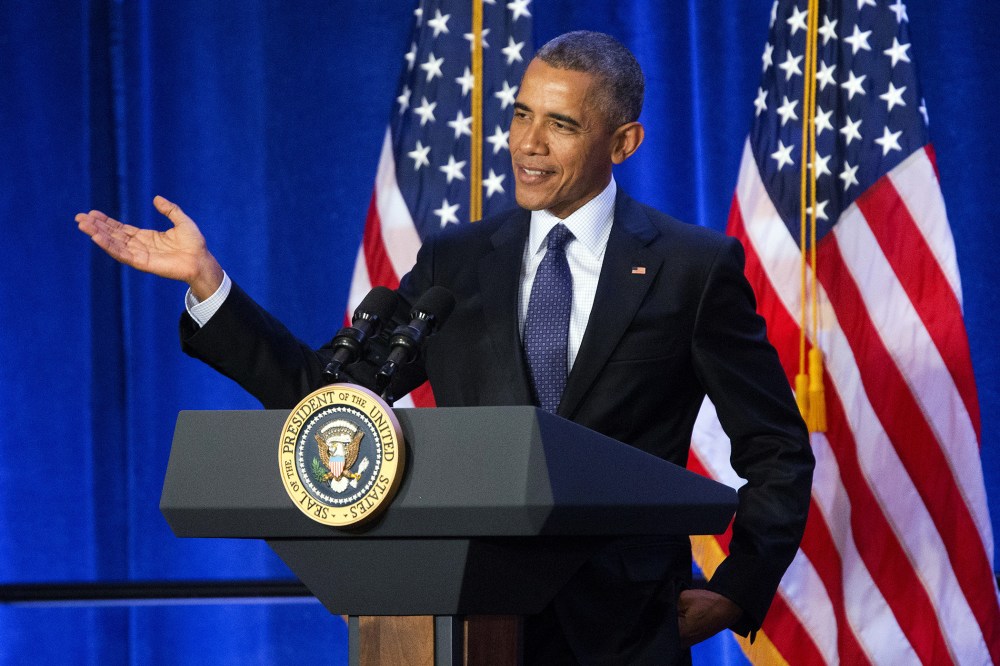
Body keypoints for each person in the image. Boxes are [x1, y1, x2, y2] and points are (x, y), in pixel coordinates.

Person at [76, 31, 813, 665]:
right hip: (462, 622)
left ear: (622, 142)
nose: (527, 143)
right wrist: (210, 284)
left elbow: (777, 446)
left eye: (560, 124)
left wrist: (736, 588)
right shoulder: (456, 263)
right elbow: (330, 400)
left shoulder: (691, 268)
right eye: (522, 114)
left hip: (621, 631)